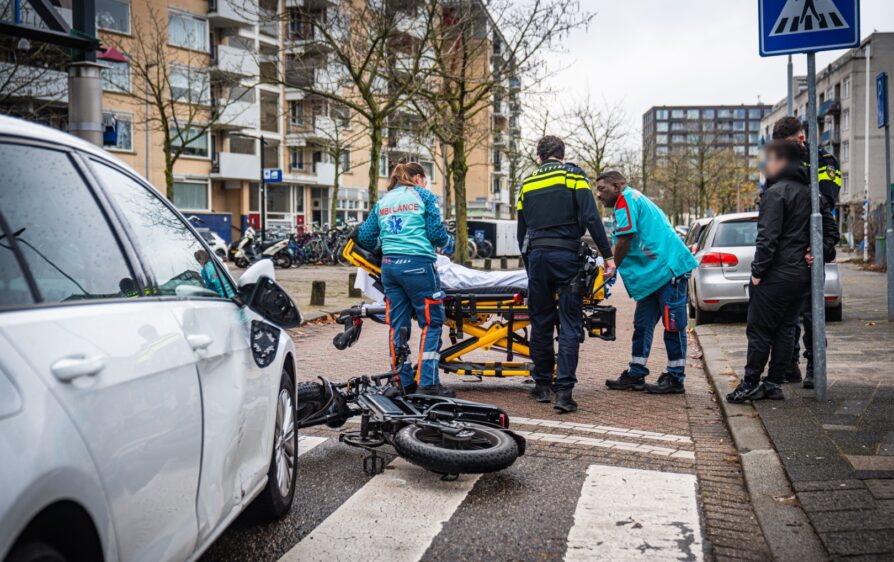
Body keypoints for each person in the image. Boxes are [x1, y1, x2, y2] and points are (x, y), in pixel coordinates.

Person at [726, 141, 837, 403]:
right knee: (786, 329)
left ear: (783, 161)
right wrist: (817, 250)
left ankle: (750, 383)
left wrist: (757, 272)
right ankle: (774, 383)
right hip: (801, 277)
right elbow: (832, 235)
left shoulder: (775, 194)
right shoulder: (813, 194)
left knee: (760, 330)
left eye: (770, 159)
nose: (766, 164)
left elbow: (767, 239)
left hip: (775, 276)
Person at [516, 135, 616, 413]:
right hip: (567, 257)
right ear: (562, 154)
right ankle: (564, 394)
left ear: (539, 156)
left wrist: (530, 264)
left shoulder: (527, 183)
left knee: (541, 321)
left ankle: (541, 386)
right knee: (570, 323)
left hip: (537, 258)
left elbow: (520, 232)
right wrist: (607, 256)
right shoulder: (574, 177)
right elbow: (591, 218)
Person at [356, 162, 455, 397]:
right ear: (418, 178)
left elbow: (366, 237)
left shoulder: (384, 200)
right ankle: (429, 383)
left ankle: (401, 380)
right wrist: (448, 241)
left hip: (390, 268)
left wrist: (388, 243)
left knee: (397, 324)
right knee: (431, 322)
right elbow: (435, 234)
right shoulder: (424, 196)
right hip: (418, 267)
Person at [597, 171, 698, 395]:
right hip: (656, 274)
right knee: (643, 324)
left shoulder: (625, 200)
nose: (598, 195)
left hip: (667, 270)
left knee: (673, 325)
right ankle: (636, 372)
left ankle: (675, 377)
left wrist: (612, 264)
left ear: (616, 186)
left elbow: (625, 237)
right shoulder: (632, 198)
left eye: (602, 189)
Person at [771, 116, 841, 389]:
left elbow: (825, 201)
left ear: (800, 139)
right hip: (788, 249)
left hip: (812, 245)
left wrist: (817, 248)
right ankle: (791, 365)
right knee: (787, 311)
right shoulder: (777, 159)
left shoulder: (824, 161)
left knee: (813, 312)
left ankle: (815, 366)